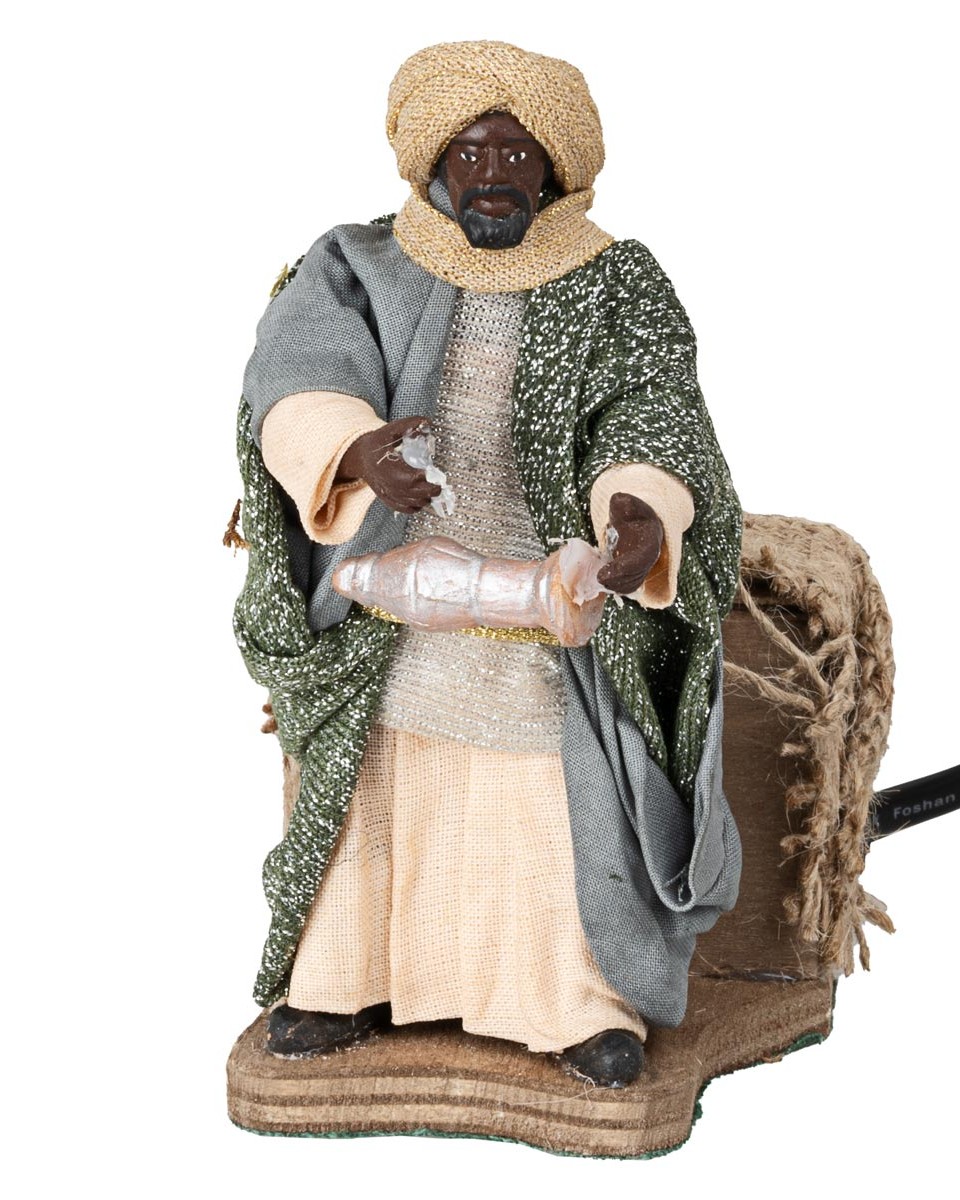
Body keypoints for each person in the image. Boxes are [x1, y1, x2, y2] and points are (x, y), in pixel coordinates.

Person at [235, 40, 743, 1088]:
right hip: (395, 605)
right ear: (436, 163)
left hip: (543, 605)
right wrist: (355, 452)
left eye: (517, 154)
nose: (495, 174)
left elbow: (652, 408)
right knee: (373, 798)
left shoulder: (615, 282)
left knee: (548, 809)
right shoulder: (360, 264)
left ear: (554, 165)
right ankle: (343, 980)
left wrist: (638, 510)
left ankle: (572, 1003)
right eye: (471, 153)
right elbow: (297, 372)